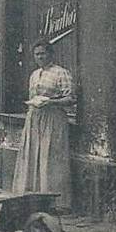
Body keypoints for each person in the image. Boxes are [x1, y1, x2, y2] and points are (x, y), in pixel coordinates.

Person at [11, 40, 75, 211]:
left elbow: (70, 99)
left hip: (53, 118)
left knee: (51, 157)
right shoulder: (34, 74)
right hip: (34, 118)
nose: (39, 57)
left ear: (51, 54)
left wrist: (51, 102)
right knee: (33, 154)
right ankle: (33, 197)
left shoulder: (61, 73)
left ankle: (56, 201)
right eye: (36, 54)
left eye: (43, 53)